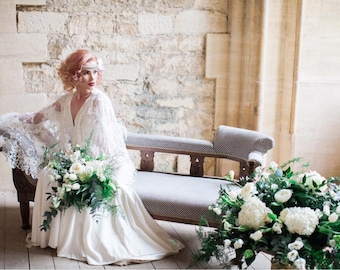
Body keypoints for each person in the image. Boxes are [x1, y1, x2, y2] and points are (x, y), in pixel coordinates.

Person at [0, 49, 184, 265]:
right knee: (48, 174)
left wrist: (99, 171)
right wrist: (9, 120)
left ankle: (87, 238)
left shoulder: (100, 101)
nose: (93, 78)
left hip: (96, 161)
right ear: (74, 75)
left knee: (88, 185)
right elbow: (38, 117)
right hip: (73, 159)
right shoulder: (65, 100)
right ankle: (52, 236)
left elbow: (108, 144)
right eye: (86, 72)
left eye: (96, 72)